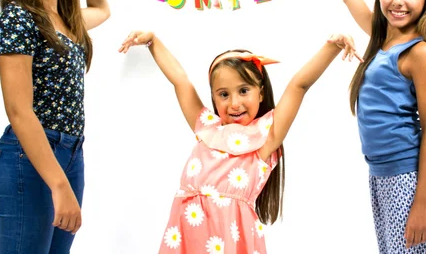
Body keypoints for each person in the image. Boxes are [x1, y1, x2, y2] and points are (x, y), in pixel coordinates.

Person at [119, 31, 362, 253]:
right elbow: (181, 81)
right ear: (214, 97)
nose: (234, 103)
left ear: (261, 92)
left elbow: (299, 85)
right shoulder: (206, 127)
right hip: (187, 235)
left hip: (232, 241)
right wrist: (153, 41)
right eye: (224, 94)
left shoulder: (266, 136)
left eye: (244, 91)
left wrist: (332, 47)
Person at [0, 0, 111, 253]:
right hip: (29, 156)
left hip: (71, 152)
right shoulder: (18, 18)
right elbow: (18, 110)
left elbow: (101, 9)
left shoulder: (66, 21)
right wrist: (58, 184)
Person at [340, 0, 426, 252]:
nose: (397, 1)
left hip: (409, 178)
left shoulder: (419, 52)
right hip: (380, 174)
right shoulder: (381, 37)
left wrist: (423, 202)